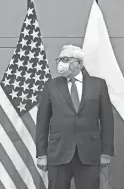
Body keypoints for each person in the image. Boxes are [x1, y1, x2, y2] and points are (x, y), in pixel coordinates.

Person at [35, 44, 114, 189]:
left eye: (65, 59)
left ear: (79, 62)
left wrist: (106, 152)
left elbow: (107, 121)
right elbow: (42, 122)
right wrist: (41, 154)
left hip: (90, 154)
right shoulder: (51, 86)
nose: (60, 64)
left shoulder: (98, 85)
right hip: (58, 153)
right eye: (59, 60)